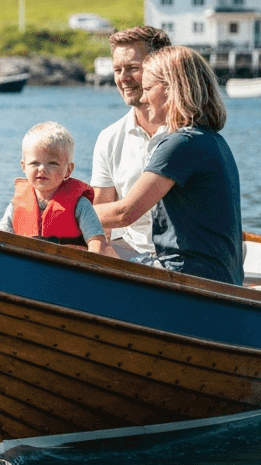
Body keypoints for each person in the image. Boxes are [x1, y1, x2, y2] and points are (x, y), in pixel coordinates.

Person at [93, 45, 243, 285]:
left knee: (71, 251)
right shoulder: (211, 139)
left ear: (173, 89)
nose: (142, 98)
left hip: (188, 277)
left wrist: (69, 210)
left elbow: (125, 213)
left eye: (148, 89)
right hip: (218, 276)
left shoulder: (180, 144)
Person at [91, 25, 172, 257]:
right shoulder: (109, 138)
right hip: (132, 253)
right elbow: (101, 217)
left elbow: (122, 213)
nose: (123, 78)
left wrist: (68, 208)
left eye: (133, 68)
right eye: (118, 70)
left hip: (184, 259)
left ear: (161, 69)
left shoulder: (186, 135)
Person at [0, 122, 117, 257]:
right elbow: (2, 238)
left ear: (68, 170)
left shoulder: (80, 204)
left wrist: (92, 262)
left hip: (69, 268)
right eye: (35, 163)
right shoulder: (16, 205)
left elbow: (97, 241)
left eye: (52, 163)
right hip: (28, 266)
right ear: (24, 166)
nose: (42, 168)